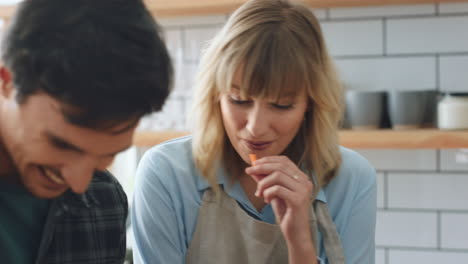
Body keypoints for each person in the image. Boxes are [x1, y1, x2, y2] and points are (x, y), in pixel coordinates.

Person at [132, 0, 376, 263]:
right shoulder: (166, 174)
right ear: (216, 94)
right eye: (239, 100)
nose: (255, 128)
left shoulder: (352, 180)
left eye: (281, 105)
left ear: (311, 103)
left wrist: (301, 243)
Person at [0, 0, 172, 263]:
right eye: (62, 145)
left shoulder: (105, 200)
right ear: (6, 83)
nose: (79, 183)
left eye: (107, 155)